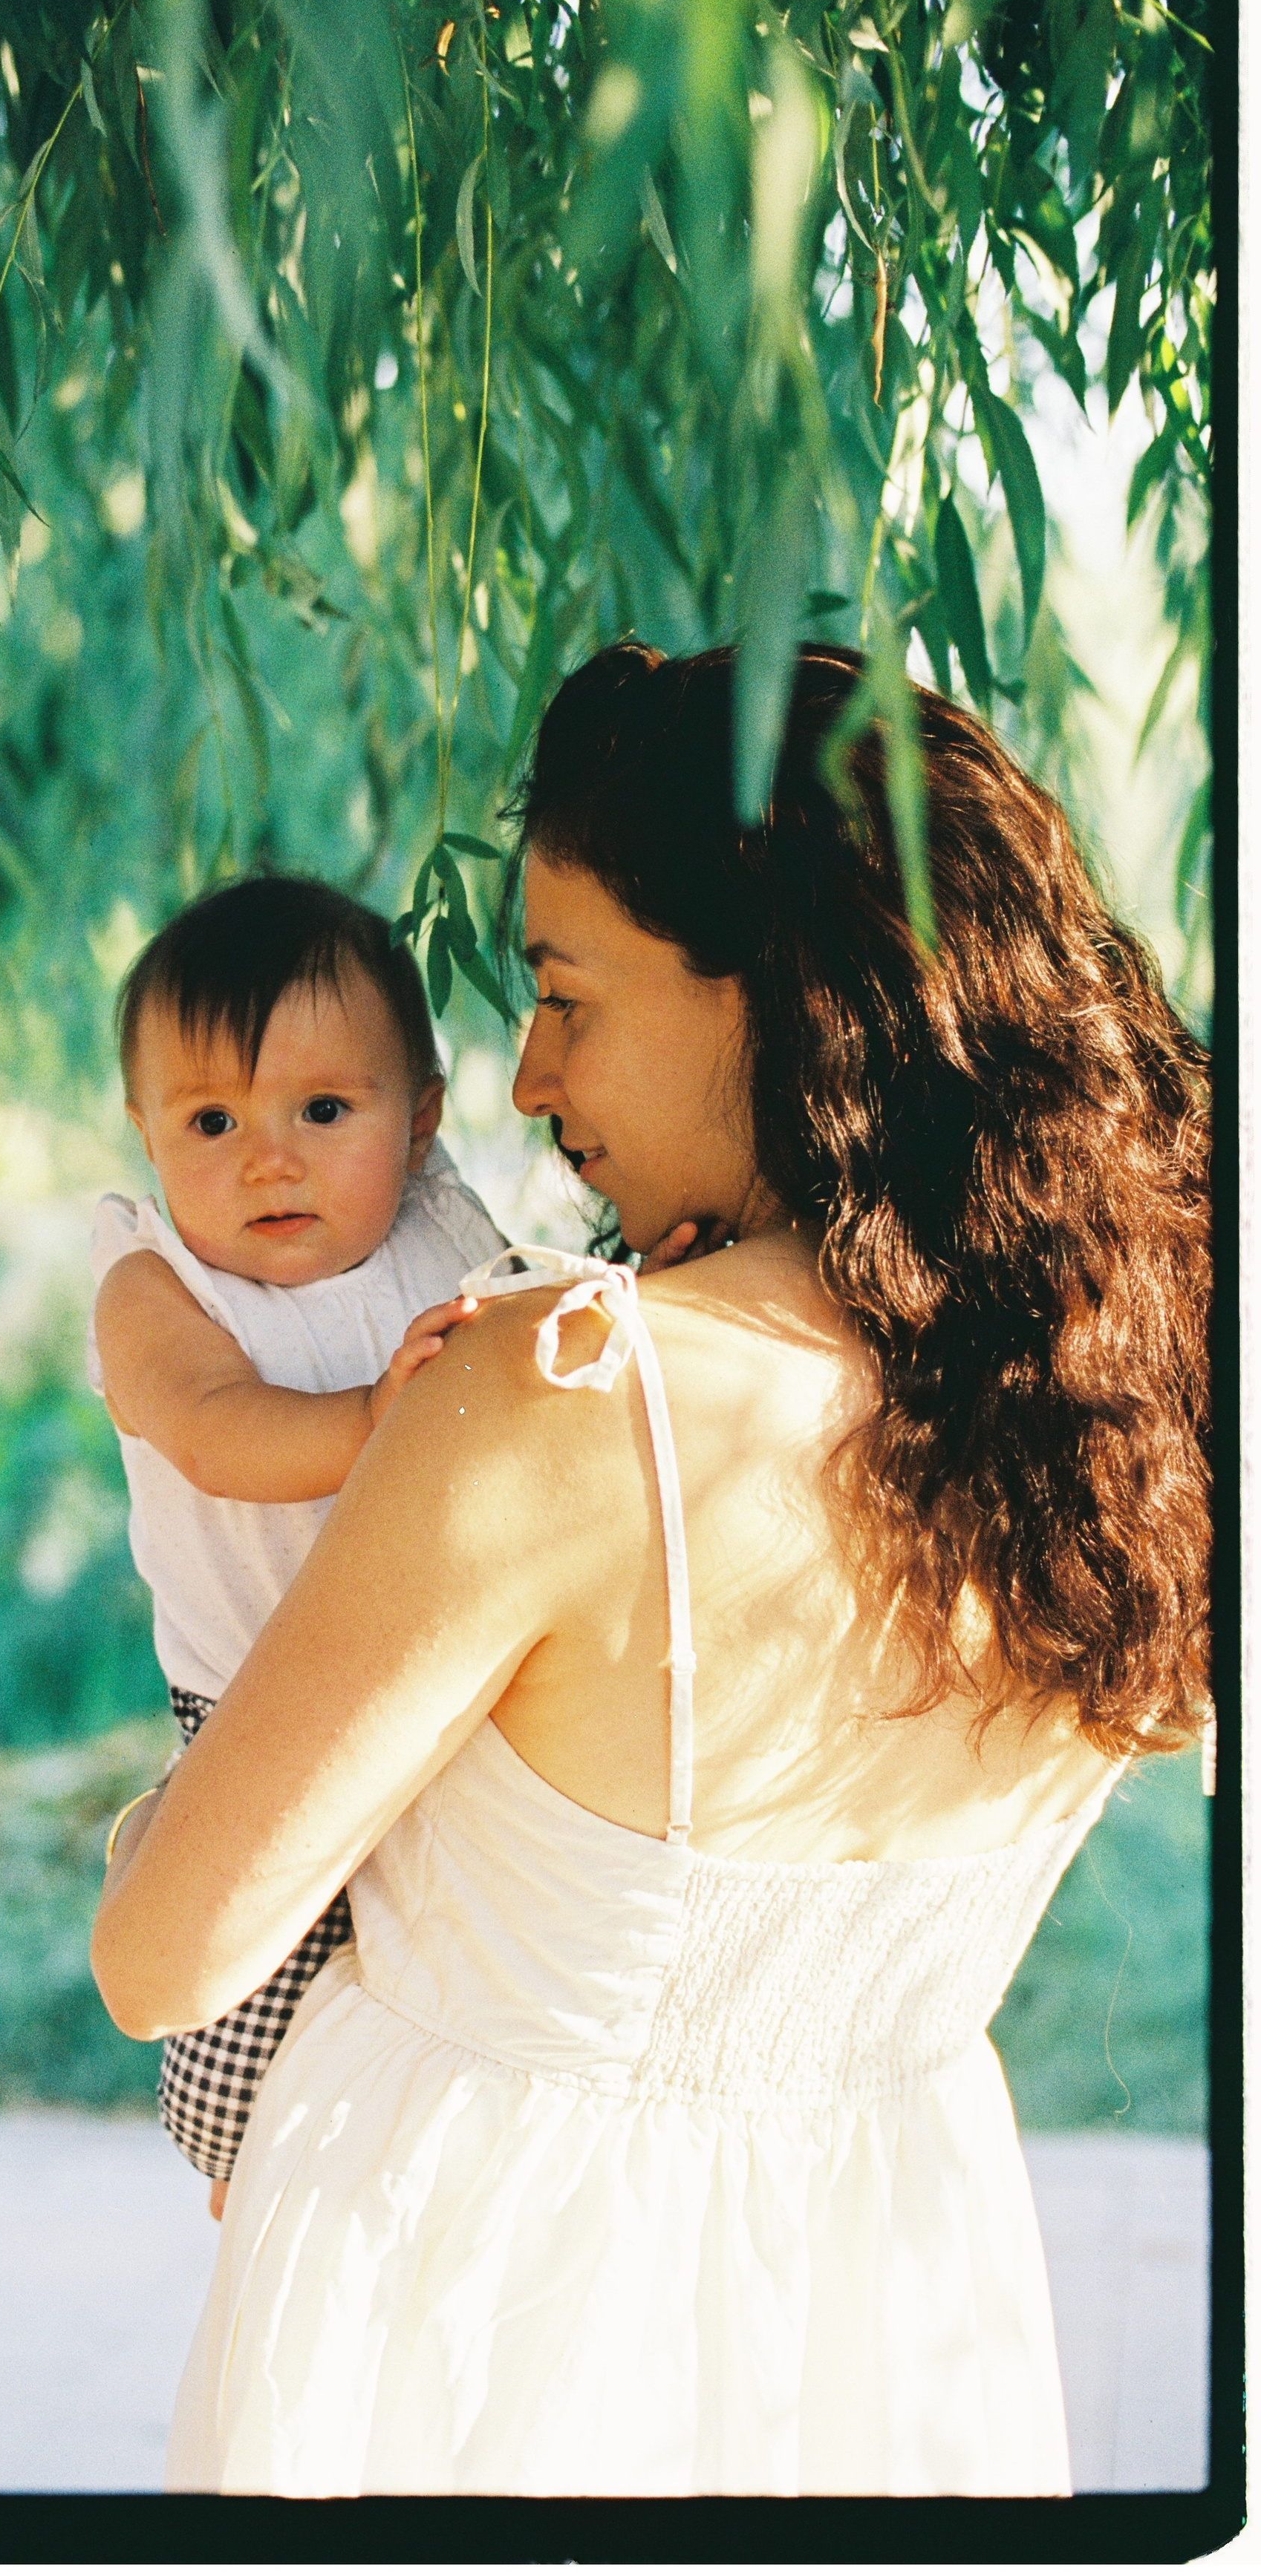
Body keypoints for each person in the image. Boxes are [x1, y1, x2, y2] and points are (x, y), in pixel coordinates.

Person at [91, 641, 1211, 2497]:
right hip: (895, 2316)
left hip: (469, 2320)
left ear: (778, 998)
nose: (522, 1081)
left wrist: (169, 1803)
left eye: (563, 994)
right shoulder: (1126, 1420)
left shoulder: (559, 1389)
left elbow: (162, 1958)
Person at [87, 875, 506, 2206]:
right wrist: (381, 1418)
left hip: (450, 1685)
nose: (269, 1156)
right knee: (239, 2041)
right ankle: (244, 2170)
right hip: (258, 1700)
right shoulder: (155, 1285)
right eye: (212, 1119)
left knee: (459, 1968)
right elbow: (216, 1431)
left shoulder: (442, 1225)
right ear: (147, 1134)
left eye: (323, 1110)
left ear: (420, 1116)